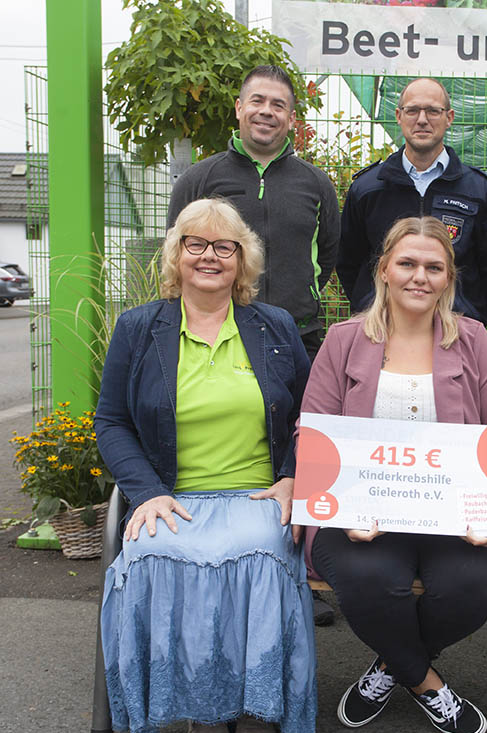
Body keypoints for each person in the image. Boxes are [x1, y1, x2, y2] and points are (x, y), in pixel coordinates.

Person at [95, 198, 316, 733]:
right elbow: (112, 421)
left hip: (257, 492)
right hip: (173, 494)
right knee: (153, 553)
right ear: (176, 254)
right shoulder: (138, 329)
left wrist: (292, 477)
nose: (210, 256)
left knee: (262, 551)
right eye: (196, 244)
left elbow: (309, 416)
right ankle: (200, 703)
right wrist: (146, 493)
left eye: (225, 247)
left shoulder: (275, 327)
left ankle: (256, 703)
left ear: (243, 261)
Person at [302, 216, 487, 733]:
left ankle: (390, 667)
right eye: (406, 263)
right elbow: (313, 435)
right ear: (383, 270)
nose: (418, 276)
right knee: (368, 578)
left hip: (458, 517)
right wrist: (348, 512)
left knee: (470, 583)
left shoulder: (473, 342)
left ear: (449, 278)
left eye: (433, 266)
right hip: (363, 513)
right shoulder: (342, 342)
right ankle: (426, 683)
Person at [167, 63, 340, 626]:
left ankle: (299, 567)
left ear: (292, 118)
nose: (267, 111)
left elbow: (330, 256)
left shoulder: (315, 184)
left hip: (298, 333)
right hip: (217, 329)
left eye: (279, 105)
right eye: (257, 101)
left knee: (297, 443)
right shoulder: (200, 177)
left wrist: (305, 296)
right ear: (239, 110)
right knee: (245, 435)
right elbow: (181, 250)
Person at [337, 77, 487, 324]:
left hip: (456, 330)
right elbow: (349, 263)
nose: (422, 119)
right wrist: (370, 306)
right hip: (382, 328)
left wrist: (469, 316)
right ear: (398, 115)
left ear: (450, 117)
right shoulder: (368, 189)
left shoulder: (478, 191)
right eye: (412, 110)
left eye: (433, 111)